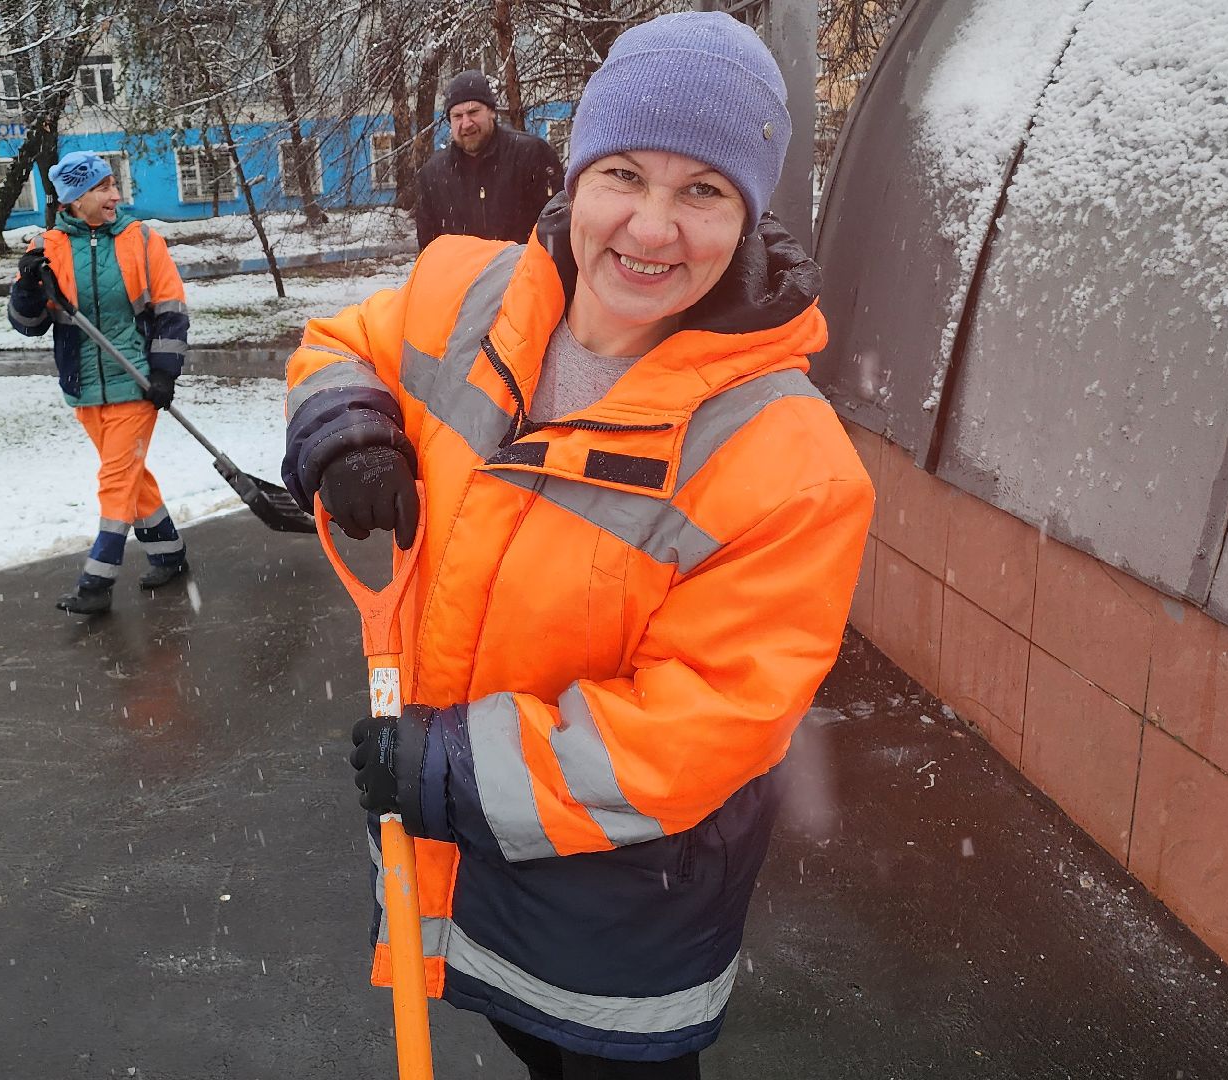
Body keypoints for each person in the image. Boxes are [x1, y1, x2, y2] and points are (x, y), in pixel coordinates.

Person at [283, 13, 872, 1077]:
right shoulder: (466, 288)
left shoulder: (794, 461)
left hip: (619, 910)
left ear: (748, 218)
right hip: (462, 861)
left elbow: (711, 715)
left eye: (703, 191)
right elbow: (340, 344)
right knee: (516, 1038)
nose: (650, 228)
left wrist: (454, 771)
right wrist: (346, 429)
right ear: (573, 177)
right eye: (624, 175)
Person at [8, 150, 192, 616]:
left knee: (115, 479)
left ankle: (98, 579)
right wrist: (27, 290)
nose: (114, 195)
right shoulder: (45, 248)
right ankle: (168, 553)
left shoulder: (142, 240)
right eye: (101, 187)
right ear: (75, 199)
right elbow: (27, 324)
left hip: (136, 382)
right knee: (131, 476)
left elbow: (171, 311)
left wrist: (164, 373)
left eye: (113, 185)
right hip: (82, 385)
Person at [410, 69, 565, 250]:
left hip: (522, 275)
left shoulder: (532, 155)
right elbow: (429, 253)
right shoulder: (433, 175)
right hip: (465, 278)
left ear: (491, 112)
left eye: (473, 112)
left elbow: (557, 232)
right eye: (458, 116)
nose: (466, 124)